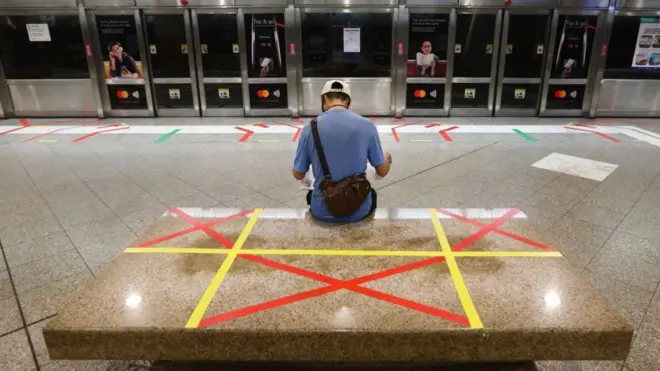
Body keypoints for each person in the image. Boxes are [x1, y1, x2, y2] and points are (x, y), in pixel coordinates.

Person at [292, 80, 393, 223]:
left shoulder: (309, 128)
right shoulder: (367, 125)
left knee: (313, 194)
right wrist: (386, 158)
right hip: (359, 209)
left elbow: (298, 174)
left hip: (322, 210)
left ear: (324, 99)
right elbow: (382, 171)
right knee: (372, 194)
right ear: (348, 102)